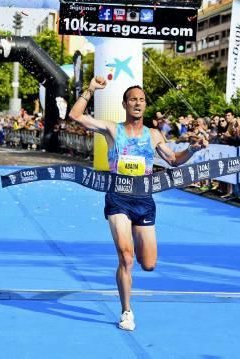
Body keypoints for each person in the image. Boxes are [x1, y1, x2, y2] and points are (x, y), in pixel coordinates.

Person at [69, 76, 208, 331]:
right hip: (117, 198)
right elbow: (76, 116)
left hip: (144, 200)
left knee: (149, 264)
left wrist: (193, 150)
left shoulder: (153, 135)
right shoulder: (112, 129)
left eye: (142, 100)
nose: (138, 103)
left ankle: (132, 285)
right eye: (133, 99)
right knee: (126, 256)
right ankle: (126, 311)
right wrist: (90, 90)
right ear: (124, 104)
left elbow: (175, 160)